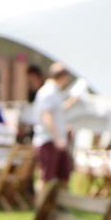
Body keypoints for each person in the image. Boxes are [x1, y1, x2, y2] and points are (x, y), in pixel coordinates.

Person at [32, 62, 75, 196]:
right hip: (49, 140)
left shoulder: (55, 91)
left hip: (57, 140)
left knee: (64, 176)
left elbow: (57, 113)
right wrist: (58, 138)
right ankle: (41, 208)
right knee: (46, 178)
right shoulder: (48, 92)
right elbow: (47, 116)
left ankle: (59, 206)